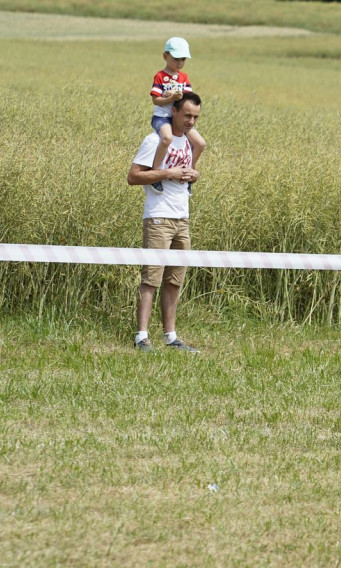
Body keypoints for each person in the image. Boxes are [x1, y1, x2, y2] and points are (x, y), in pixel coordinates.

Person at [127, 91, 203, 353]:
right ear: (174, 112)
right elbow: (134, 177)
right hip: (159, 216)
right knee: (152, 278)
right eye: (187, 115)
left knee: (175, 279)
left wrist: (193, 175)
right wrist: (167, 173)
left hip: (183, 217)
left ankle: (170, 336)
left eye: (195, 117)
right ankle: (141, 336)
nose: (191, 121)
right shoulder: (155, 140)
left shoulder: (188, 144)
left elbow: (187, 174)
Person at [147, 37, 206, 194]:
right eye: (176, 59)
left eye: (183, 60)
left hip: (178, 119)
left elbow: (188, 97)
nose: (179, 63)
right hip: (163, 118)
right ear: (165, 56)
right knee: (167, 138)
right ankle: (155, 174)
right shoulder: (160, 76)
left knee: (200, 143)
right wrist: (170, 98)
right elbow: (155, 100)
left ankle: (189, 173)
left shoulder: (183, 77)